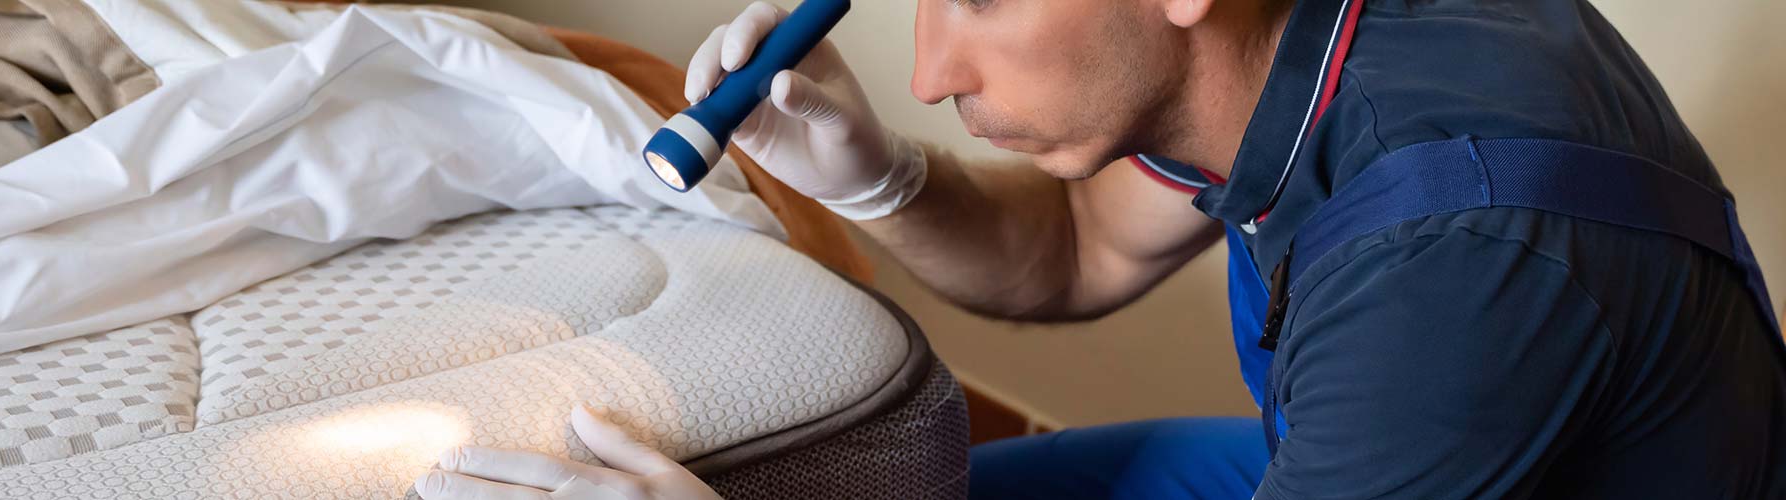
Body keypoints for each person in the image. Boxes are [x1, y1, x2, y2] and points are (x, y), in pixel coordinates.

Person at [416, 0, 1786, 498]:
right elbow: (1072, 254)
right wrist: (882, 178)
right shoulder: (1289, 51)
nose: (934, 67)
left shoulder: (1459, 261)